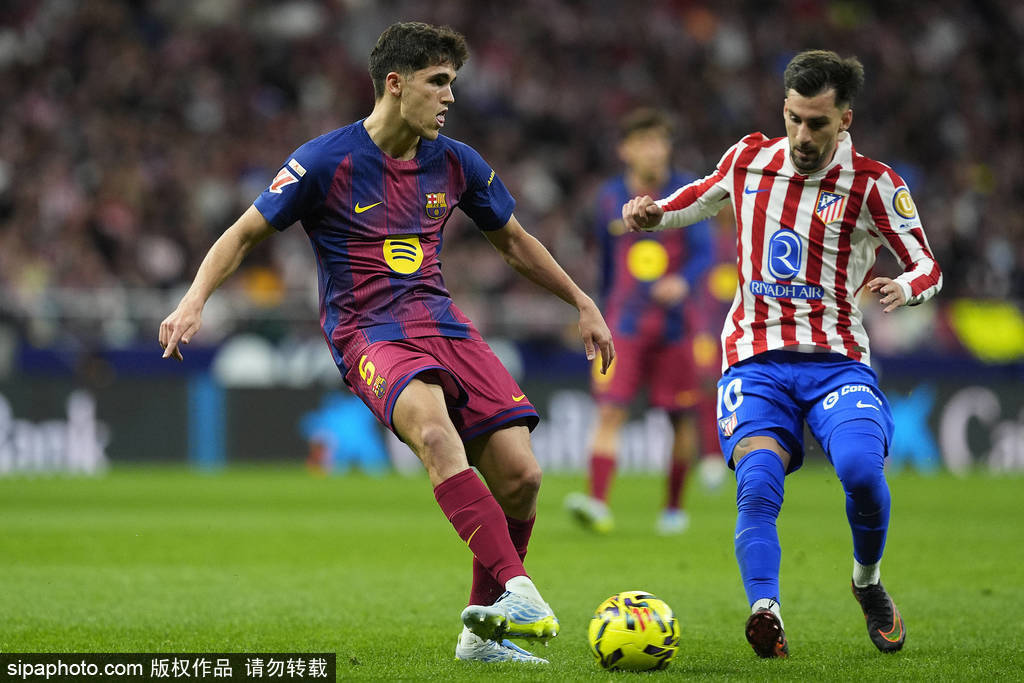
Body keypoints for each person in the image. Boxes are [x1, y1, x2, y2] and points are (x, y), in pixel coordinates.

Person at [159, 21, 614, 665]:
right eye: (438, 82)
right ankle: (518, 588)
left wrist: (581, 300)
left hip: (442, 322)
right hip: (367, 328)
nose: (450, 96)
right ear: (395, 85)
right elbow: (242, 235)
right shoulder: (324, 161)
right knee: (434, 434)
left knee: (523, 477)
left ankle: (479, 638)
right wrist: (194, 299)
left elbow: (514, 241)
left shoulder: (456, 162)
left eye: (452, 82)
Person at [622, 50, 941, 657]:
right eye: (794, 118)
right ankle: (765, 611)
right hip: (755, 359)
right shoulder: (749, 159)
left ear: (844, 119)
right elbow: (700, 196)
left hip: (838, 362)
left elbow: (928, 265)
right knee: (758, 481)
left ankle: (867, 582)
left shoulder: (875, 184)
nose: (802, 135)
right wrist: (654, 213)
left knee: (860, 471)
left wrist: (904, 288)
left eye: (817, 123)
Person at [564, 108, 719, 535]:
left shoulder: (687, 192)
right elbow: (607, 261)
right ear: (625, 150)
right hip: (626, 324)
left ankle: (673, 509)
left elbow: (704, 252)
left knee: (681, 417)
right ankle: (597, 503)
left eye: (660, 141)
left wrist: (683, 281)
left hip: (675, 325)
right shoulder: (609, 197)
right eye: (644, 142)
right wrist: (599, 309)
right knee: (610, 410)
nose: (654, 150)